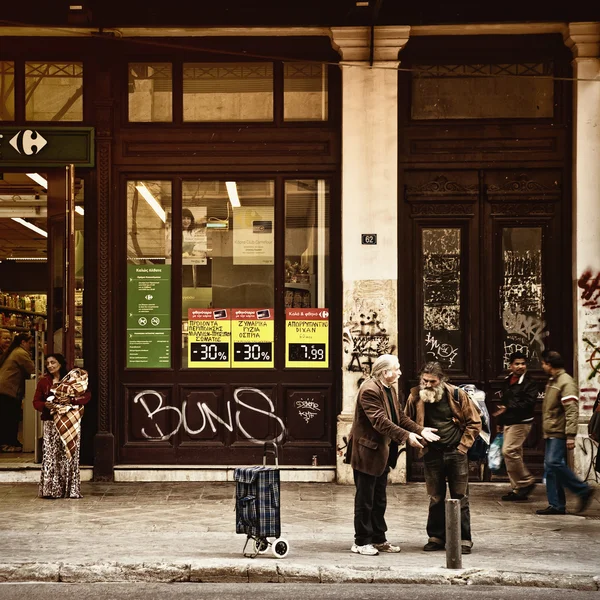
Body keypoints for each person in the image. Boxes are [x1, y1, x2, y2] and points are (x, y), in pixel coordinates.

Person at [347, 354, 440, 556]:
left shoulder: (389, 388)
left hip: (381, 453)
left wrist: (420, 430)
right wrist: (407, 437)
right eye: (396, 369)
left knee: (379, 498)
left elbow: (399, 416)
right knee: (365, 499)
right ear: (384, 372)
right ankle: (361, 541)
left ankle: (378, 538)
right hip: (367, 451)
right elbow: (380, 421)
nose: (400, 372)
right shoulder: (370, 390)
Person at [405, 361, 481, 554]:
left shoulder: (457, 395)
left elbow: (474, 422)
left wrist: (463, 447)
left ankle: (464, 539)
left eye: (432, 381)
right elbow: (405, 420)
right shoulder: (415, 396)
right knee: (436, 497)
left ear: (441, 381)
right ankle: (436, 537)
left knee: (460, 497)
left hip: (456, 452)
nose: (427, 385)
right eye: (424, 381)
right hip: (432, 453)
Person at [536, 350, 594, 515]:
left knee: (554, 462)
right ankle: (556, 505)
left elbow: (571, 411)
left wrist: (570, 435)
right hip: (551, 430)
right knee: (550, 468)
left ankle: (583, 490)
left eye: (543, 363)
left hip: (559, 431)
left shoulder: (565, 382)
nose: (542, 366)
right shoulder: (554, 380)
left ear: (549, 364)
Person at [33, 354, 91, 499]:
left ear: (60, 363)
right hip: (51, 422)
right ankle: (51, 489)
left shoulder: (72, 380)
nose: (50, 366)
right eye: (47, 363)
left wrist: (71, 399)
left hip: (69, 421)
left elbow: (86, 396)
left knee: (69, 453)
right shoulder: (44, 382)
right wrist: (45, 405)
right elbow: (36, 402)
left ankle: (70, 489)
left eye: (53, 362)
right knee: (51, 455)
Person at [494, 351, 538, 501]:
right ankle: (518, 490)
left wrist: (508, 407)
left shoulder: (530, 383)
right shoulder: (508, 381)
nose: (520, 366)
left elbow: (529, 403)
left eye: (523, 363)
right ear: (510, 365)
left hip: (521, 422)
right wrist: (500, 422)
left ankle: (526, 481)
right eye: (517, 364)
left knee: (509, 451)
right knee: (514, 454)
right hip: (509, 421)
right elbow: (504, 403)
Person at [0, 332, 35, 452]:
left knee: (8, 417)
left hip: (5, 388)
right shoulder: (21, 353)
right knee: (9, 418)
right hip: (9, 389)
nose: (31, 345)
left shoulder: (14, 351)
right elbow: (32, 369)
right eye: (29, 343)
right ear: (23, 342)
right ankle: (6, 444)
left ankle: (11, 442)